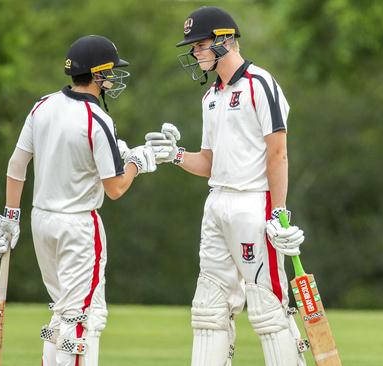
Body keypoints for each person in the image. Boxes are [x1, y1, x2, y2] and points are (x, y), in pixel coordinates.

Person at [145, 6, 307, 366]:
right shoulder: (210, 97)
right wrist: (173, 155)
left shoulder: (260, 84)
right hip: (216, 202)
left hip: (253, 203)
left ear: (224, 40)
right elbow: (209, 163)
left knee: (266, 305)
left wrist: (278, 212)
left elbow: (277, 152)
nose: (194, 53)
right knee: (208, 309)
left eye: (199, 45)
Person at [0, 35, 156, 366]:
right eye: (110, 72)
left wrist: (10, 217)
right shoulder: (98, 120)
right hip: (78, 227)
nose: (113, 79)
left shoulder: (42, 106)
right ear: (97, 74)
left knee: (63, 312)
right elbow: (115, 188)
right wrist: (138, 162)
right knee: (83, 318)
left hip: (41, 222)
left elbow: (17, 166)